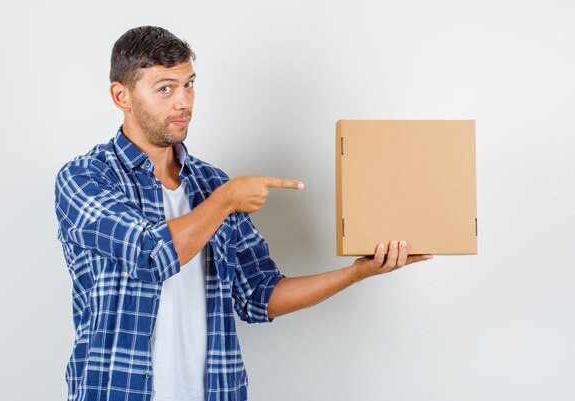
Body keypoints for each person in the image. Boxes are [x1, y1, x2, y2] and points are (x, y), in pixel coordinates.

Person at [54, 25, 433, 401]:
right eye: (165, 88)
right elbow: (152, 255)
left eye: (189, 84)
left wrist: (358, 271)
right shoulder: (85, 177)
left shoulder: (212, 183)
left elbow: (260, 294)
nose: (183, 102)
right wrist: (226, 200)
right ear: (122, 96)